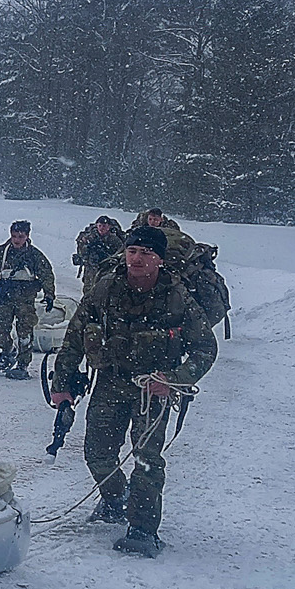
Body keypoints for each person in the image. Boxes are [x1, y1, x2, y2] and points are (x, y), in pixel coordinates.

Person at [49, 225, 217, 558]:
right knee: (97, 453)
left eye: (146, 253)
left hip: (152, 390)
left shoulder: (177, 296)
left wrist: (174, 378)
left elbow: (205, 348)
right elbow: (75, 334)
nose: (137, 259)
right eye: (132, 252)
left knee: (147, 459)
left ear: (160, 259)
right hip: (109, 382)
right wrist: (62, 384)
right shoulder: (105, 288)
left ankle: (142, 529)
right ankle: (115, 498)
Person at [0, 221, 57, 380]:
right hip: (4, 297)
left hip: (25, 298)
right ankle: (7, 350)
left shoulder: (34, 256)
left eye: (21, 236)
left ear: (27, 236)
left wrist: (49, 295)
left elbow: (46, 275)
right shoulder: (1, 253)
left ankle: (23, 364)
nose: (17, 240)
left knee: (25, 331)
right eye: (14, 236)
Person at [73, 215, 126, 281]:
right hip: (91, 268)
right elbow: (82, 250)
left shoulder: (114, 239)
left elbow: (120, 253)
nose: (101, 228)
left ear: (109, 227)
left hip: (107, 269)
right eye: (99, 226)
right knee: (88, 288)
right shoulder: (90, 236)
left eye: (104, 226)